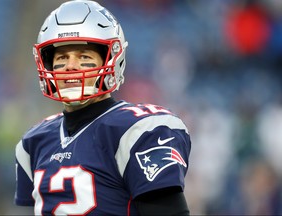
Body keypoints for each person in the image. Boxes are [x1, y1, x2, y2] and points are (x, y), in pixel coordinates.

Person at [14, 0, 191, 215]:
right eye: (62, 57)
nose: (70, 66)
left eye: (84, 56)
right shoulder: (33, 142)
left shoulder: (139, 131)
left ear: (112, 61)